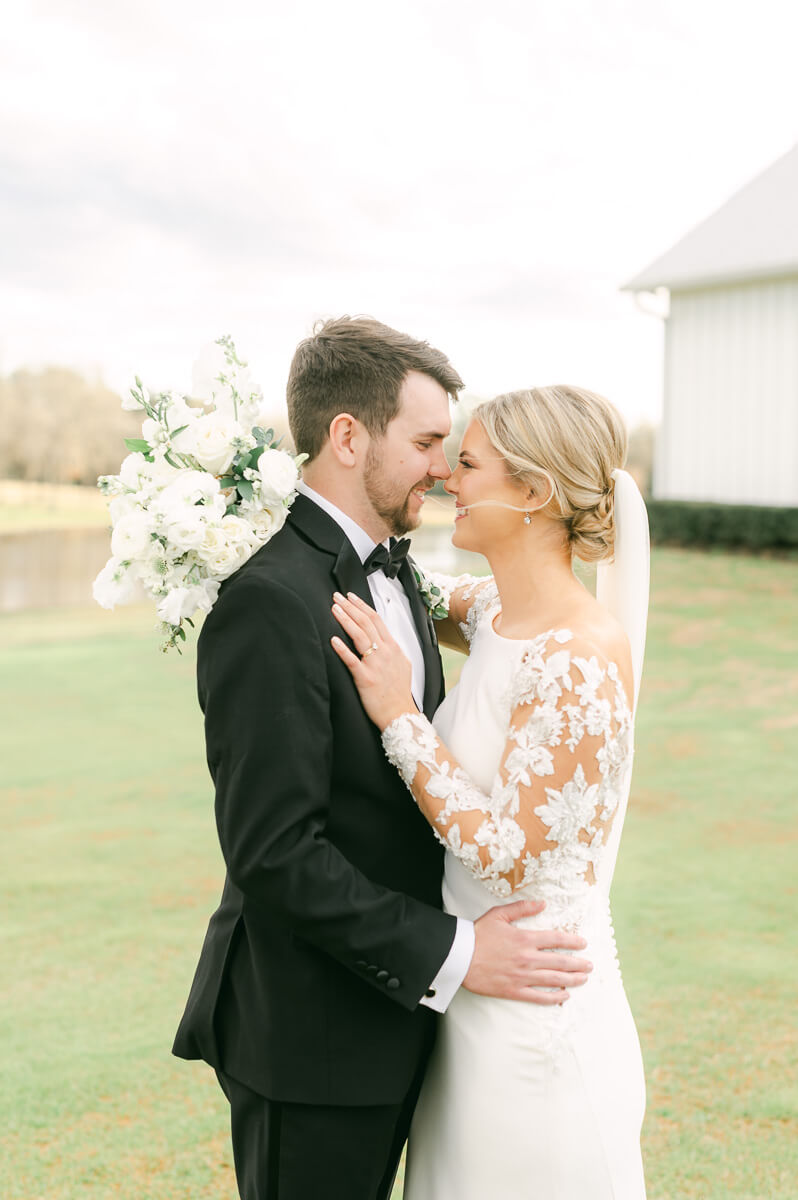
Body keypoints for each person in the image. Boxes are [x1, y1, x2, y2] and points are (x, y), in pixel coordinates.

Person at [172, 321, 593, 1200]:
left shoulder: (395, 576)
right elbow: (274, 852)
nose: (444, 467)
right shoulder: (269, 604)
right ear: (349, 437)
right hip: (311, 1043)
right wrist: (456, 952)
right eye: (429, 441)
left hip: (408, 1026)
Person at [332, 383, 650, 1198]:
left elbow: (509, 853)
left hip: (535, 1014)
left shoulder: (578, 657)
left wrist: (402, 717)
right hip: (471, 1000)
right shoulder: (497, 616)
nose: (445, 479)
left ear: (535, 494)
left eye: (467, 464)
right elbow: (403, 592)